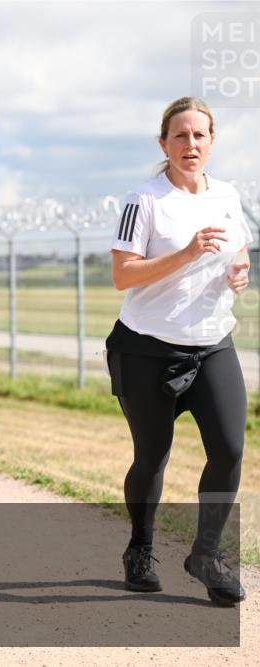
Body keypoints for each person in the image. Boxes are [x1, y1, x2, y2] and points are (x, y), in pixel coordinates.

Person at [107, 96, 250, 606]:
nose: (191, 144)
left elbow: (238, 249)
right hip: (146, 350)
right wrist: (187, 252)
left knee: (230, 449)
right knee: (152, 457)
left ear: (212, 141)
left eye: (199, 135)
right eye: (180, 135)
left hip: (212, 345)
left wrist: (239, 270)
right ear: (164, 143)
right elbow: (123, 274)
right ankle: (141, 549)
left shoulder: (227, 195)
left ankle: (206, 555)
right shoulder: (144, 200)